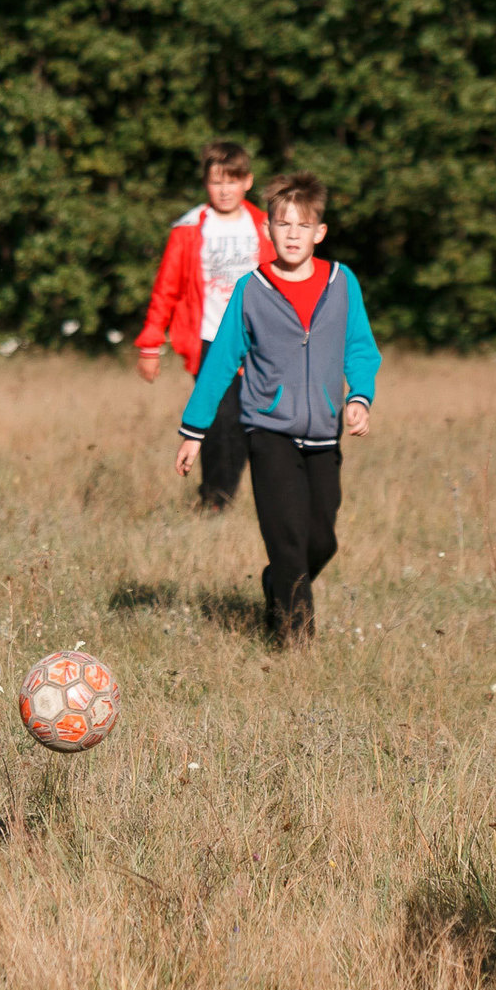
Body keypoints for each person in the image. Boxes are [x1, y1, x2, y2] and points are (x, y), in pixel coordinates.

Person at [174, 172, 380, 642]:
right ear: (267, 230)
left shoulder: (342, 282)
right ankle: (293, 642)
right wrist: (193, 431)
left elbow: (361, 348)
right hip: (269, 432)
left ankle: (276, 584)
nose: (292, 234)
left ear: (319, 233)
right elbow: (221, 362)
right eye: (283, 225)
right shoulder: (252, 289)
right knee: (286, 541)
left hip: (325, 433)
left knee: (320, 540)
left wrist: (359, 397)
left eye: (302, 226)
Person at [137, 140, 272, 512]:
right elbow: (166, 289)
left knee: (249, 419)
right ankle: (214, 499)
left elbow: (285, 284)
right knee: (218, 416)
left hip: (258, 342)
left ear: (248, 180)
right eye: (216, 181)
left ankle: (226, 494)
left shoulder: (265, 227)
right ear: (205, 183)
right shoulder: (189, 229)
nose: (224, 189)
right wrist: (151, 344)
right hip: (210, 339)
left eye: (233, 180)